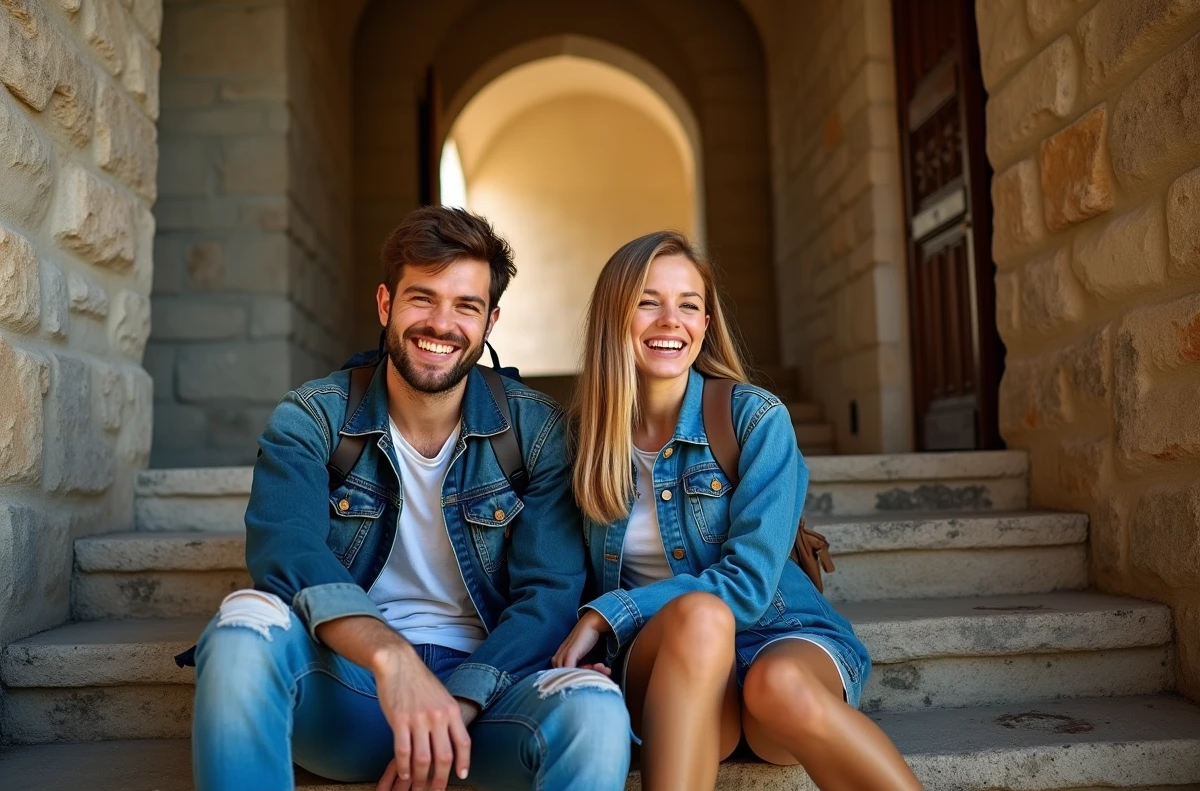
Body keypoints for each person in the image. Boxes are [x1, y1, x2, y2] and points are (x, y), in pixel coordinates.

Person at [191, 206, 631, 791]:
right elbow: (285, 550)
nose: (441, 323)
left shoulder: (539, 432)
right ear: (385, 305)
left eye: (466, 306)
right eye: (422, 298)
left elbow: (548, 598)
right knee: (241, 623)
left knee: (597, 707)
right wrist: (392, 658)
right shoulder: (312, 419)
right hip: (354, 688)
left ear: (490, 321)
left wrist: (458, 701)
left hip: (488, 706)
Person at [553, 231, 922, 791]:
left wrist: (612, 610)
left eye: (689, 305)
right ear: (614, 317)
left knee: (776, 685)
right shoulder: (577, 445)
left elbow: (749, 585)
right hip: (669, 670)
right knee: (700, 619)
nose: (670, 320)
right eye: (648, 301)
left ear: (705, 324)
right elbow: (554, 577)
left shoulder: (756, 420)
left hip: (780, 634)